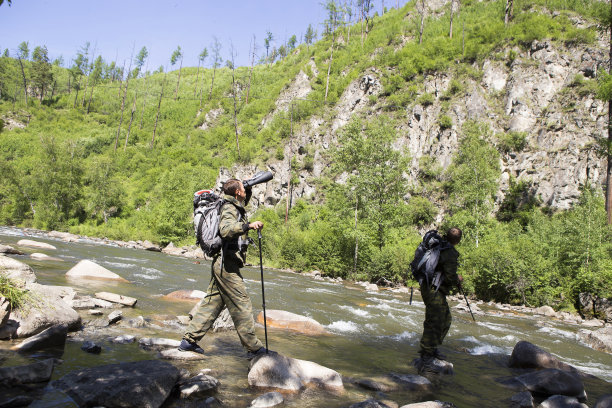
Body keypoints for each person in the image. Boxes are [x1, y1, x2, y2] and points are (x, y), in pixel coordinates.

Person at [178, 178, 268, 358]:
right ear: (237, 192)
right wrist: (248, 225)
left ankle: (189, 341)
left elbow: (242, 203)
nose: (245, 191)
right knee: (241, 304)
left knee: (212, 303)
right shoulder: (229, 208)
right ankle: (254, 348)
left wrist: (248, 189)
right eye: (243, 189)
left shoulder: (233, 205)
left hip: (224, 264)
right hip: (226, 266)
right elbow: (226, 229)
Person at [416, 227, 463, 374]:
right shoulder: (449, 252)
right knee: (434, 321)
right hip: (433, 290)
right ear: (459, 240)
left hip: (428, 287)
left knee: (446, 319)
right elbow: (450, 277)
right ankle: (426, 356)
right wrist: (458, 279)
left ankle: (432, 348)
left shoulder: (439, 246)